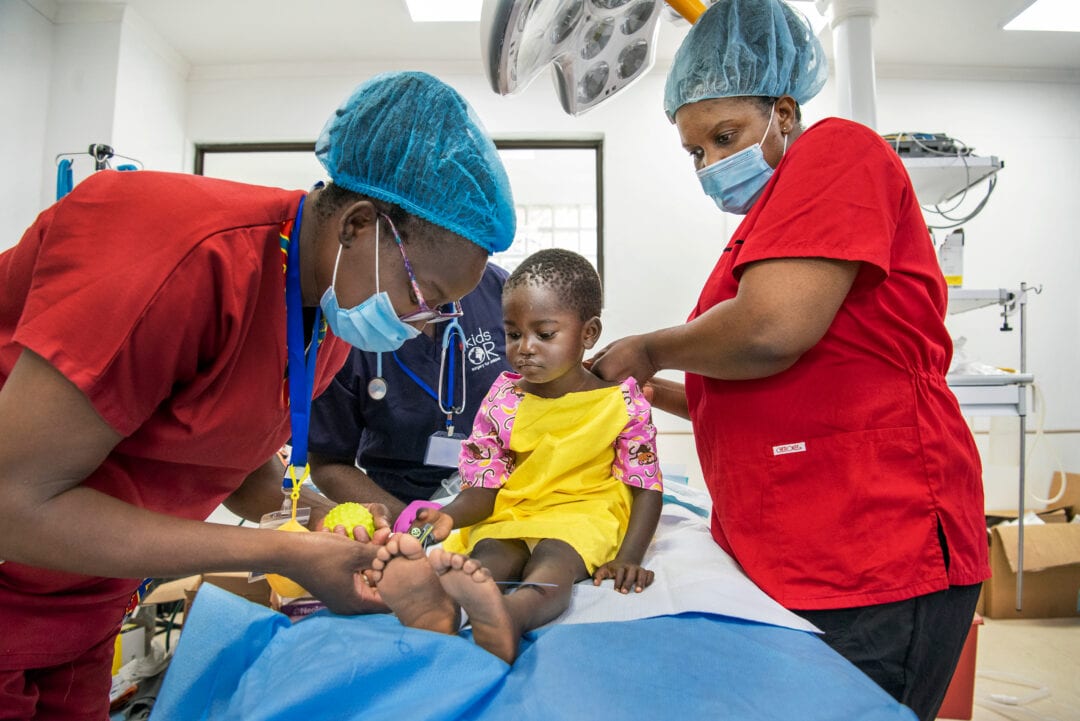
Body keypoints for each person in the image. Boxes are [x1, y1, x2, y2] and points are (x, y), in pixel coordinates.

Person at [0, 70, 515, 720]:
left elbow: (233, 464)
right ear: (358, 225)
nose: (420, 323)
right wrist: (283, 550)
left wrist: (323, 518)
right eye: (425, 297)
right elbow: (11, 503)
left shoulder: (326, 315)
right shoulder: (176, 257)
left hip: (83, 601)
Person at [587, 2, 990, 720]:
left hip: (875, 545)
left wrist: (650, 346)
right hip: (799, 548)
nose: (710, 163)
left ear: (784, 111)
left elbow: (772, 332)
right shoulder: (764, 229)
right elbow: (755, 386)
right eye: (696, 152)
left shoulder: (838, 151)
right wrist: (657, 390)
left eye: (724, 136)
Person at [368, 248, 664, 664]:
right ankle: (448, 608)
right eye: (512, 334)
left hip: (584, 514)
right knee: (487, 560)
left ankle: (511, 616)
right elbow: (485, 489)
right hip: (513, 510)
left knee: (552, 565)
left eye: (544, 335)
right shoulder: (503, 400)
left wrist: (628, 557)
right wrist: (450, 515)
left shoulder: (621, 402)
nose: (524, 348)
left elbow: (645, 487)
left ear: (589, 334)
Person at [308, 263, 511, 521]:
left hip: (506, 493)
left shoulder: (492, 287)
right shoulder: (352, 322)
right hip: (400, 503)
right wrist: (410, 524)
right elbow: (329, 463)